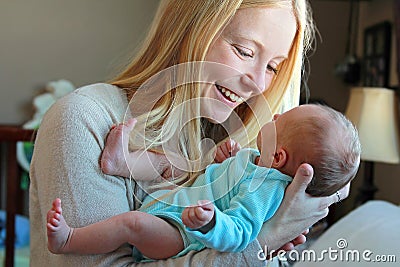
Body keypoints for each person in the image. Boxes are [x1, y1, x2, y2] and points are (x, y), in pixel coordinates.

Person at [29, 1, 349, 266]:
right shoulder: (83, 118)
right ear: (191, 29)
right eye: (245, 51)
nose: (259, 84)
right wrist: (265, 242)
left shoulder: (238, 148)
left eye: (273, 67)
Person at [46, 104, 360, 261]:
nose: (273, 117)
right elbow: (223, 182)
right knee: (176, 164)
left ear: (278, 157)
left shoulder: (266, 190)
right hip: (175, 203)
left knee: (132, 224)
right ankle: (118, 162)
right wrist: (225, 160)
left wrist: (211, 223)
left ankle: (68, 239)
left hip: (181, 235)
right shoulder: (254, 159)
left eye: (279, 122)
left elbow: (240, 233)